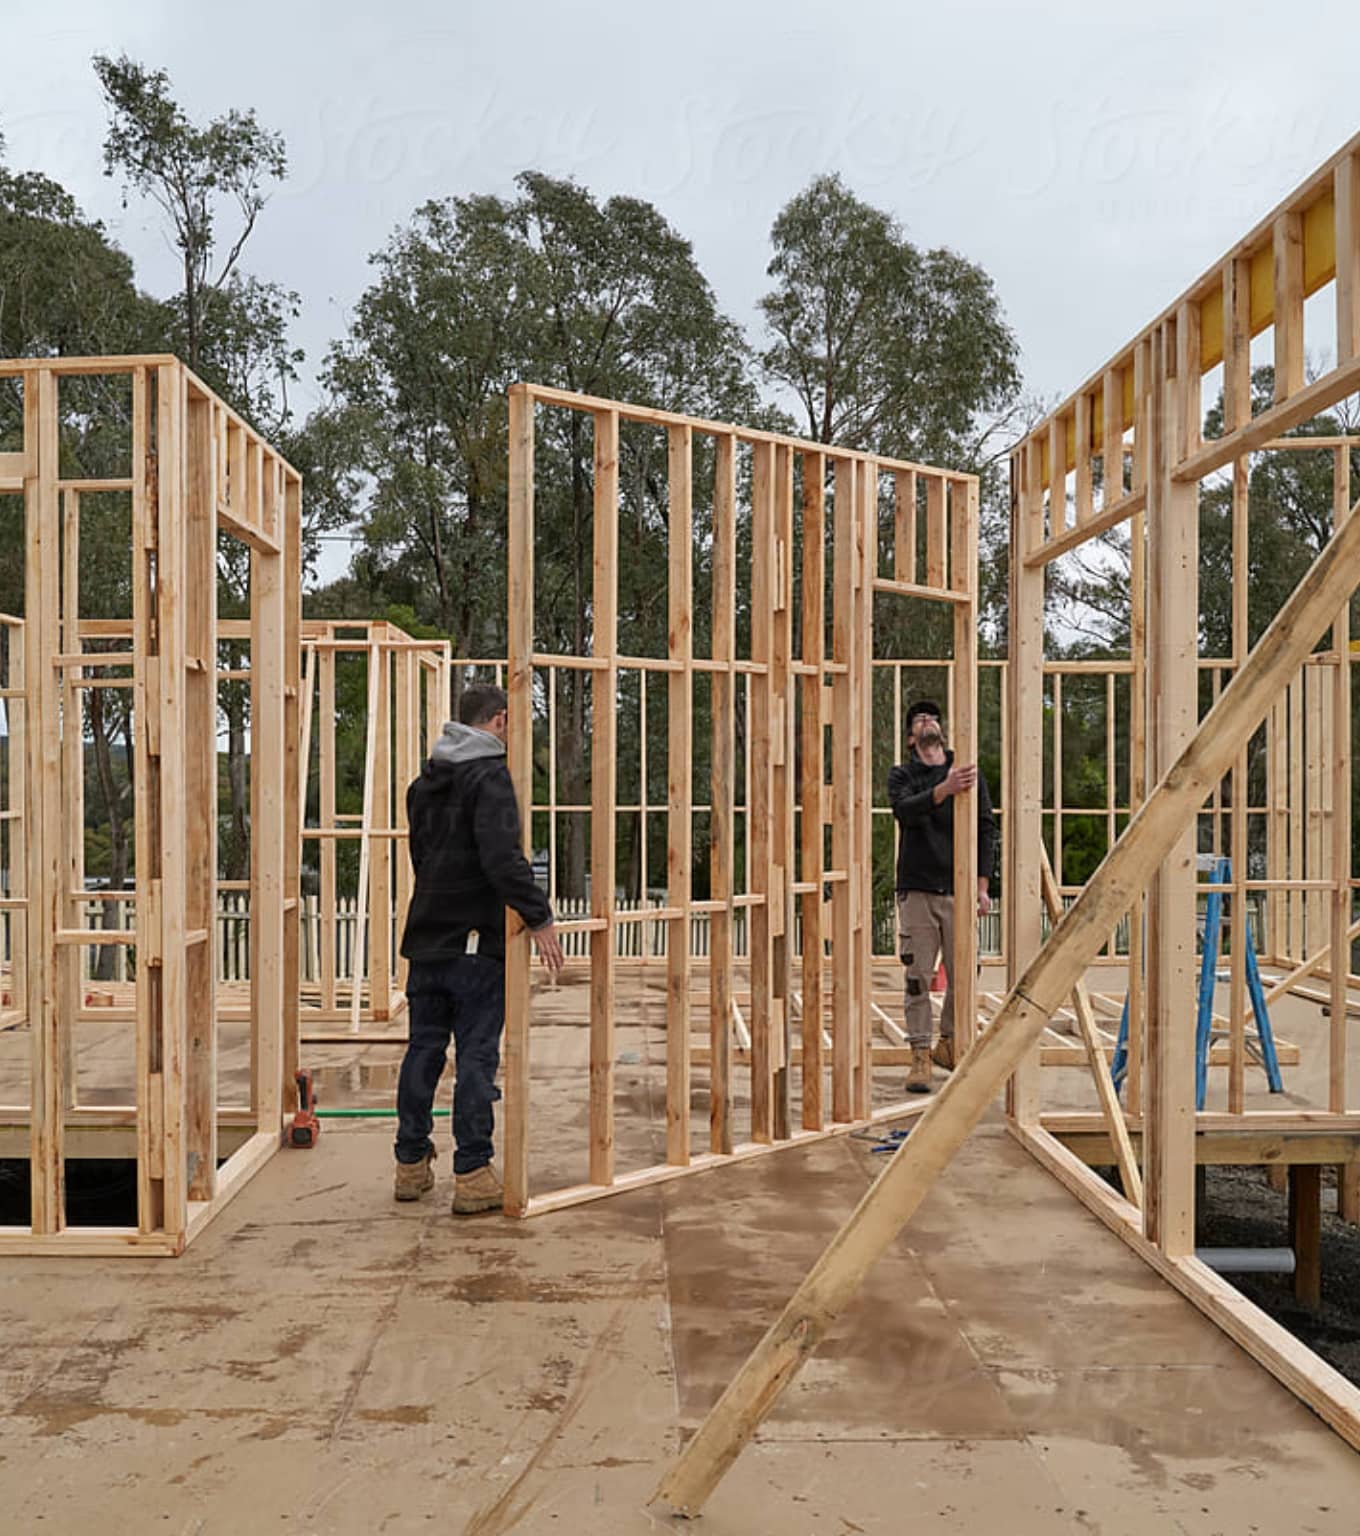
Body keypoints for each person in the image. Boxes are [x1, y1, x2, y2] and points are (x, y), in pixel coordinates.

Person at [393, 683, 564, 1213]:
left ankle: (410, 1165)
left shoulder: (423, 783)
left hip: (427, 937)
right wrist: (538, 917)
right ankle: (471, 1174)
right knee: (475, 1058)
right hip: (473, 944)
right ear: (501, 719)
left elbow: (423, 858)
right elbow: (501, 858)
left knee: (422, 1050)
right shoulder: (488, 777)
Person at [887, 699, 996, 1095]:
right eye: (918, 718)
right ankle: (920, 1054)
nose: (927, 720)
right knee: (918, 976)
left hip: (959, 889)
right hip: (917, 889)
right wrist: (943, 789)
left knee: (965, 972)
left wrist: (983, 886)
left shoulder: (967, 773)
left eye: (932, 716)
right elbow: (904, 811)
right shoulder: (904, 775)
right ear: (910, 737)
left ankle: (950, 1043)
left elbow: (986, 829)